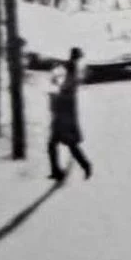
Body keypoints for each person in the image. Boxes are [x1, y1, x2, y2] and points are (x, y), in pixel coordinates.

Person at [47, 48, 92, 182]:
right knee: (57, 144)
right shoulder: (73, 72)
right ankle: (57, 171)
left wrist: (55, 96)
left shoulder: (71, 74)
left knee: (65, 144)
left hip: (64, 116)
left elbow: (65, 94)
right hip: (64, 115)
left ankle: (86, 166)